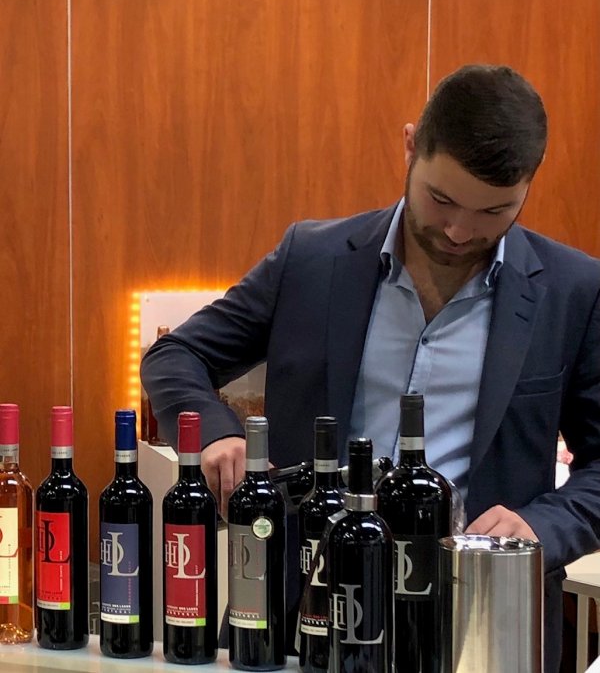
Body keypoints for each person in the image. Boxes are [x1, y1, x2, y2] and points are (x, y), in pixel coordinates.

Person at [141, 64, 600, 673]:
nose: (459, 230)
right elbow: (176, 354)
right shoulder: (311, 259)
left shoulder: (573, 291)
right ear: (410, 146)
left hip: (482, 626)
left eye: (495, 212)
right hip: (301, 609)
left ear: (528, 186)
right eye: (441, 199)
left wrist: (541, 526)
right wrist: (215, 433)